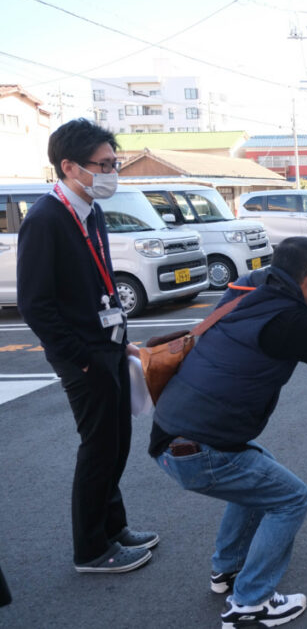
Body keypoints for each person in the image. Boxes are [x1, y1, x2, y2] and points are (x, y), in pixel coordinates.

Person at [149, 236, 307, 628]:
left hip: (172, 436)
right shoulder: (287, 320)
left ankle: (227, 571)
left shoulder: (247, 293)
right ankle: (251, 602)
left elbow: (301, 334)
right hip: (200, 449)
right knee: (291, 498)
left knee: (256, 472)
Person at [17, 118, 158, 573]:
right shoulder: (44, 220)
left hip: (109, 346)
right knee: (98, 448)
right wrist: (80, 360)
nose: (112, 172)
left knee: (117, 443)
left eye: (114, 163)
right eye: (105, 164)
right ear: (69, 167)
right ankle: (91, 550)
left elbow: (103, 285)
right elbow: (36, 306)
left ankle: (113, 527)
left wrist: (123, 341)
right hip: (82, 356)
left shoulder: (90, 210)